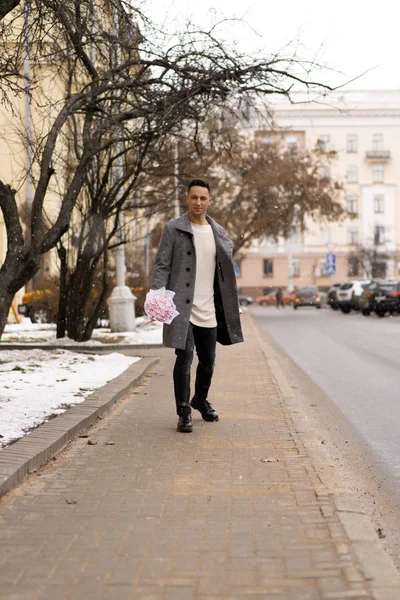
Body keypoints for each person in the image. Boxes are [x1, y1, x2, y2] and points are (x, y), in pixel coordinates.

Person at [151, 178, 244, 432]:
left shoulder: (219, 232)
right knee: (184, 357)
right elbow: (162, 264)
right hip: (182, 307)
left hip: (209, 307)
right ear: (187, 199)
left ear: (210, 201)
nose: (198, 202)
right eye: (194, 197)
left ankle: (199, 399)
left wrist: (231, 301)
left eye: (203, 198)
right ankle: (183, 412)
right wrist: (158, 295)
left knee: (208, 361)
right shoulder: (173, 228)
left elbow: (226, 273)